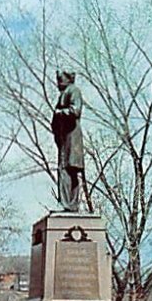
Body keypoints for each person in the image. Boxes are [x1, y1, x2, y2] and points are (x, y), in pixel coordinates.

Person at [51, 70, 84, 212]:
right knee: (65, 169)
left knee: (69, 169)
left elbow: (76, 110)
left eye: (60, 79)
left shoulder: (74, 91)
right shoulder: (63, 94)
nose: (58, 82)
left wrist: (60, 112)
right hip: (64, 138)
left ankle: (70, 203)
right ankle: (68, 203)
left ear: (68, 79)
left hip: (72, 136)